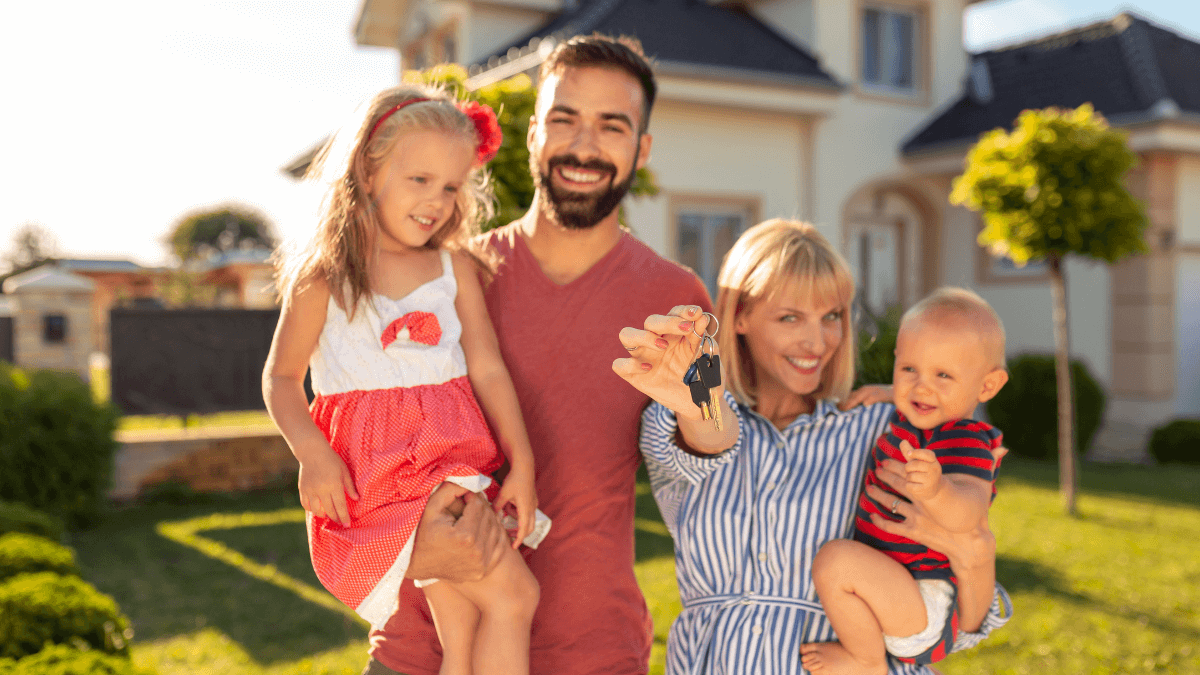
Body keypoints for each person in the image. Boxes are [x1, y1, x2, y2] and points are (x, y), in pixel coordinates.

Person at [363, 36, 712, 675]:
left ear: (644, 148)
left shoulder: (681, 300)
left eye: (613, 125)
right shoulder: (443, 276)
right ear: (531, 136)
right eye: (564, 119)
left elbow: (714, 461)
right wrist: (407, 552)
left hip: (592, 653)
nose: (584, 145)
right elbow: (356, 441)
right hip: (422, 650)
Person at [613, 219, 1013, 675]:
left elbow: (959, 624)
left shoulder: (884, 428)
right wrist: (701, 400)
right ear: (740, 315)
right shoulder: (679, 418)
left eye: (832, 317)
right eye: (790, 317)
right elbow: (712, 435)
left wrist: (976, 556)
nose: (817, 341)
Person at [263, 85, 550, 675]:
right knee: (515, 597)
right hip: (386, 474)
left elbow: (488, 367)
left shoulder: (453, 269)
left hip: (451, 462)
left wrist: (521, 462)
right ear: (368, 173)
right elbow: (282, 378)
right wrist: (312, 454)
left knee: (463, 631)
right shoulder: (325, 277)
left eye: (450, 186)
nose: (437, 201)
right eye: (419, 180)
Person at [800, 287, 1009, 674]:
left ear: (987, 386)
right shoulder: (915, 418)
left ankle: (867, 662)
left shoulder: (965, 438)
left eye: (943, 375)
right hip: (898, 586)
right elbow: (914, 393)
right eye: (910, 370)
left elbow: (969, 511)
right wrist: (887, 393)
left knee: (836, 562)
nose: (922, 387)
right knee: (837, 565)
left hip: (926, 596)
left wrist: (937, 490)